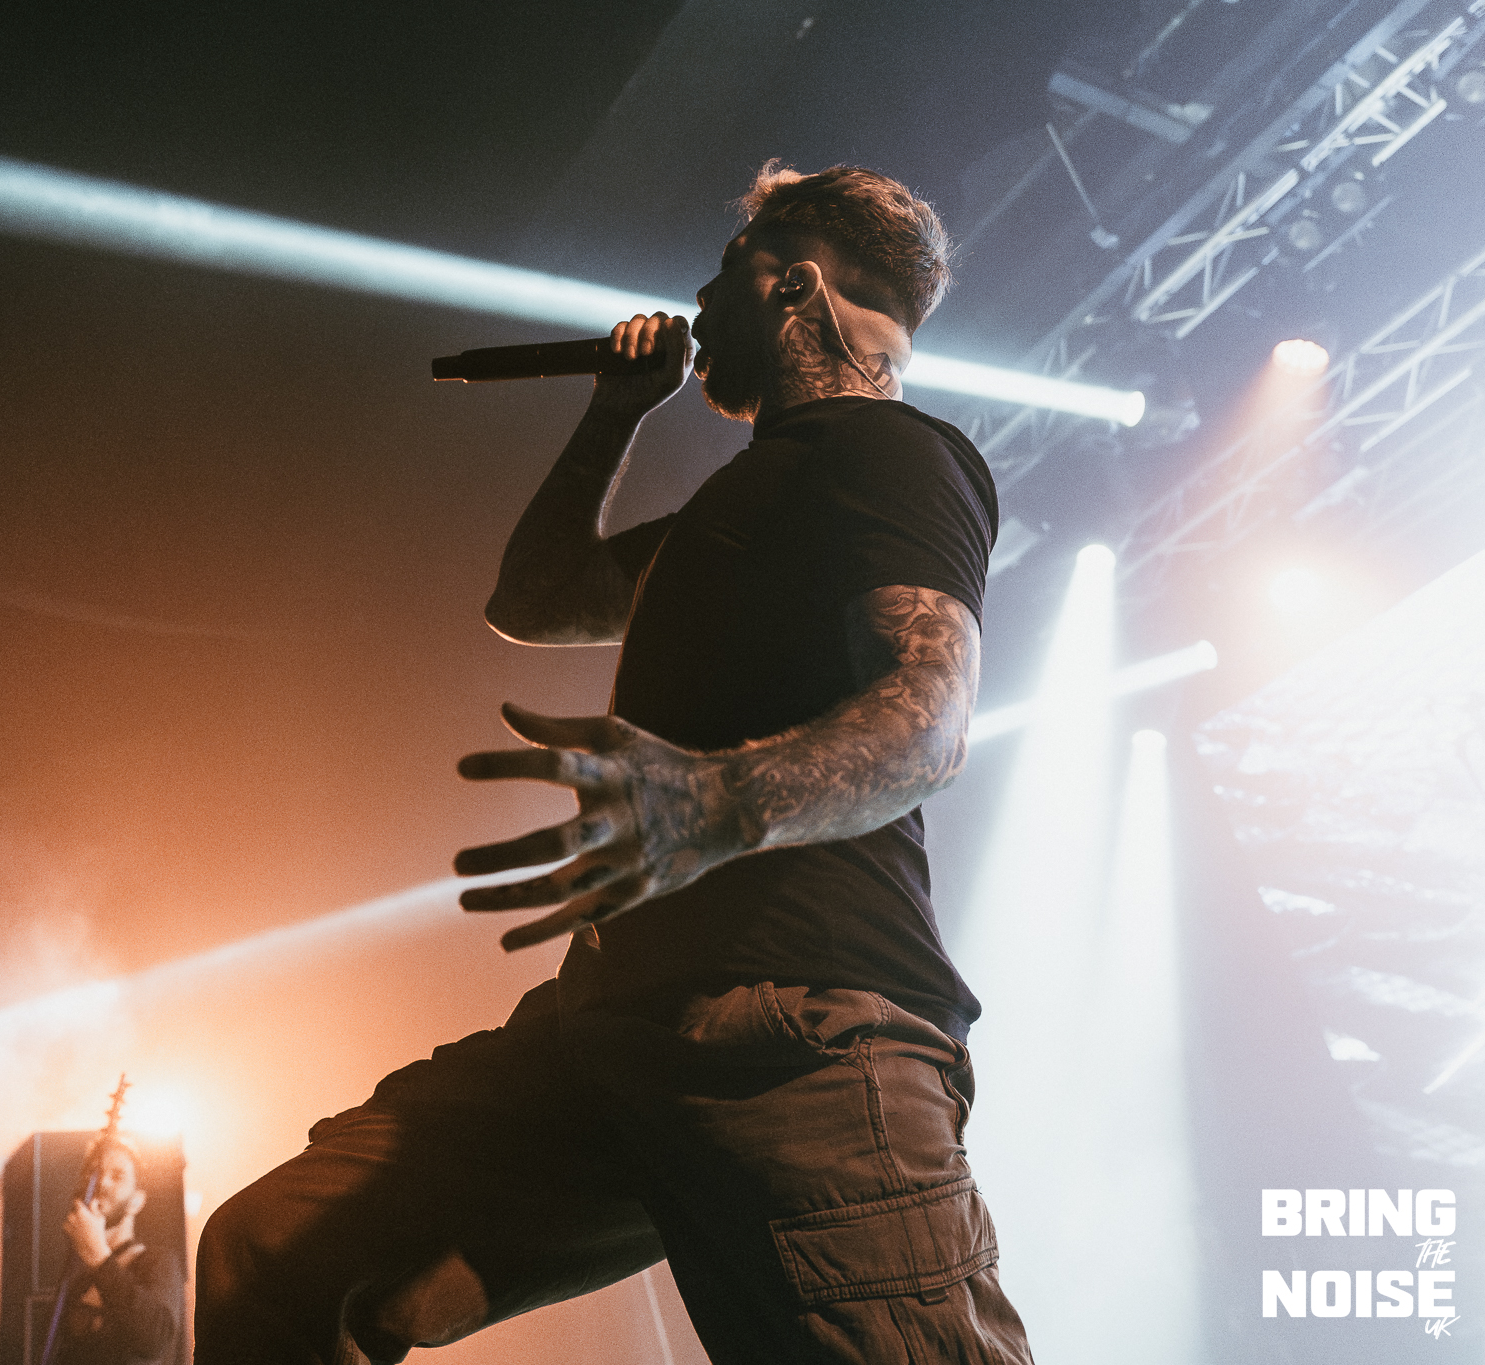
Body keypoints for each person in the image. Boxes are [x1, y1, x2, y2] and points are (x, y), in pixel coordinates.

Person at [195, 163, 1035, 1365]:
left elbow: (927, 718)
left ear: (792, 285)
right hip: (604, 1036)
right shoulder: (735, 507)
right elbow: (535, 599)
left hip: (794, 1031)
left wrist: (719, 799)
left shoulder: (889, 453)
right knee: (275, 1259)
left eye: (724, 273)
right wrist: (612, 412)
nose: (697, 305)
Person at [54, 1137, 183, 1365]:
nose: (102, 1183)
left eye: (117, 1176)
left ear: (136, 1202)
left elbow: (157, 1338)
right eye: (95, 1174)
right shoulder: (80, 1280)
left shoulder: (158, 1262)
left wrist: (99, 1258)